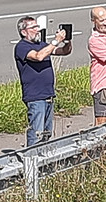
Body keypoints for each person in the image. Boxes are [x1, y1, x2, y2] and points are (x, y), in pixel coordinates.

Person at [14, 16, 72, 146]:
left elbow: (63, 52)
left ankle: (44, 156)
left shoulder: (42, 45)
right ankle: (32, 156)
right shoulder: (22, 47)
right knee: (37, 133)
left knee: (46, 133)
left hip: (48, 94)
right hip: (35, 96)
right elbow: (38, 56)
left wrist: (67, 41)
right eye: (33, 27)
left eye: (37, 27)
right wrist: (56, 41)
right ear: (24, 32)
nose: (37, 30)